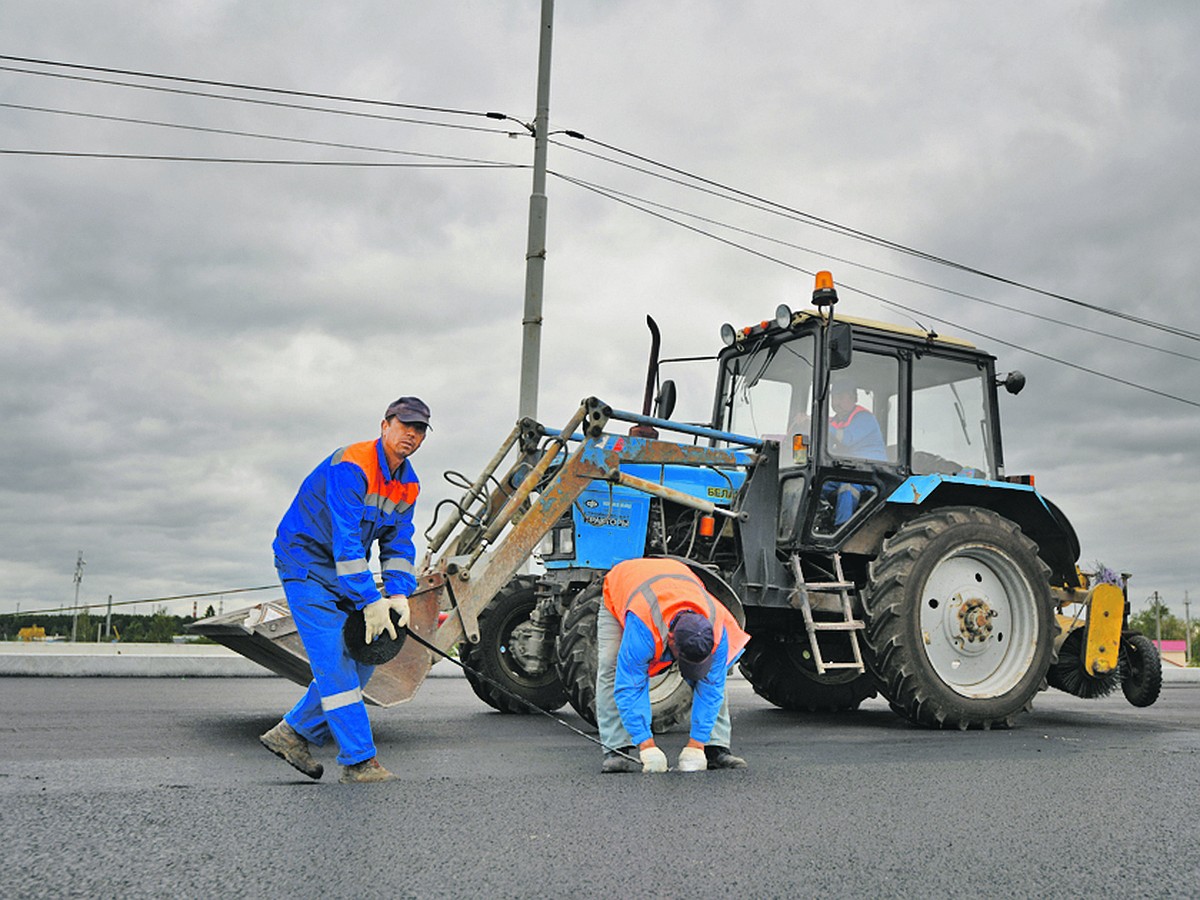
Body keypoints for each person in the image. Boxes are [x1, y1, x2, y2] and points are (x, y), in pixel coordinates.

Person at [259, 396, 429, 784]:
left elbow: (399, 543)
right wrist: (370, 599)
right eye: (405, 425)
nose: (411, 435)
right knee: (336, 660)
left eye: (419, 430)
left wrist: (399, 593)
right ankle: (358, 762)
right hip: (304, 563)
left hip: (341, 571)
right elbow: (347, 541)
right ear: (384, 425)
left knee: (366, 653)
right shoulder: (351, 465)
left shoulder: (409, 484)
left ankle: (292, 733)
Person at [596, 557, 752, 774]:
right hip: (624, 586)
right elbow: (630, 684)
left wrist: (696, 744)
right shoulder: (643, 628)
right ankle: (616, 750)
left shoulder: (717, 628)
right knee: (610, 665)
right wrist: (646, 744)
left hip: (676, 580)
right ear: (670, 638)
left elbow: (712, 686)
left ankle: (716, 748)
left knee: (716, 674)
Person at [825, 383, 887, 527]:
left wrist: (817, 423)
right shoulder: (835, 421)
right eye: (834, 397)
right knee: (818, 485)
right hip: (850, 469)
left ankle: (841, 528)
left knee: (848, 487)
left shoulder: (864, 418)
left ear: (854, 398)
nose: (837, 402)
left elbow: (846, 439)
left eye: (841, 396)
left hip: (872, 473)